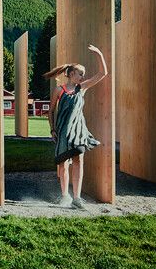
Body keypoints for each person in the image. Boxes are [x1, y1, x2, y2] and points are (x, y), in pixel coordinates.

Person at [46, 45, 109, 209]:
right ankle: (65, 196)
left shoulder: (82, 88)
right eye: (81, 73)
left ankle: (77, 197)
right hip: (63, 131)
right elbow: (51, 111)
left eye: (83, 74)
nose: (83, 76)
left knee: (78, 160)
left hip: (79, 132)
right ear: (71, 74)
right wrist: (52, 129)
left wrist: (99, 54)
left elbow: (103, 74)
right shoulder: (59, 90)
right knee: (63, 164)